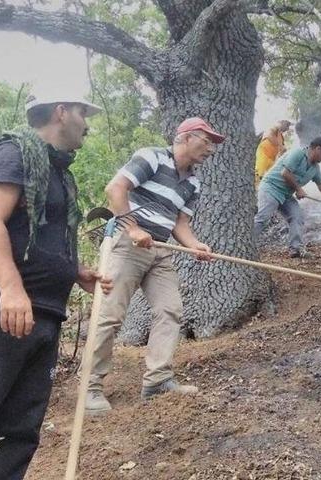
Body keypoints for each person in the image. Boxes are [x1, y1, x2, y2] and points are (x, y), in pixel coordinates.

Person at [0, 93, 111, 479]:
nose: (87, 123)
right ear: (61, 111)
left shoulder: (59, 170)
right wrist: (12, 290)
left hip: (43, 315)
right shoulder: (12, 152)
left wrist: (73, 269)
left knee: (16, 435)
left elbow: (33, 235)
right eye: (82, 112)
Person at [85, 117, 221, 414]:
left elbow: (180, 223)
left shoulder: (193, 182)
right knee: (110, 315)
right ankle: (91, 387)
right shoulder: (152, 157)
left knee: (170, 309)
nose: (211, 149)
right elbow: (115, 189)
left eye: (213, 144)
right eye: (207, 141)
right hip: (127, 244)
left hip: (160, 251)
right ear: (186, 137)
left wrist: (194, 245)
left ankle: (157, 380)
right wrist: (133, 228)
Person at [253, 136, 321, 258]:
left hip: (286, 194)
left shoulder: (315, 168)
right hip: (271, 188)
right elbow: (285, 173)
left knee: (297, 216)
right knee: (263, 218)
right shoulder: (297, 153)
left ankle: (296, 249)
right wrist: (298, 189)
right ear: (318, 149)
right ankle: (245, 245)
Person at [254, 120, 292, 186]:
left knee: (269, 176)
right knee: (260, 174)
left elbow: (282, 151)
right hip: (264, 154)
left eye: (288, 126)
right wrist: (281, 146)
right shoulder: (273, 128)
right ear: (282, 123)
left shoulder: (281, 137)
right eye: (287, 125)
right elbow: (269, 135)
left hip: (272, 159)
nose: (287, 128)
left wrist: (284, 152)